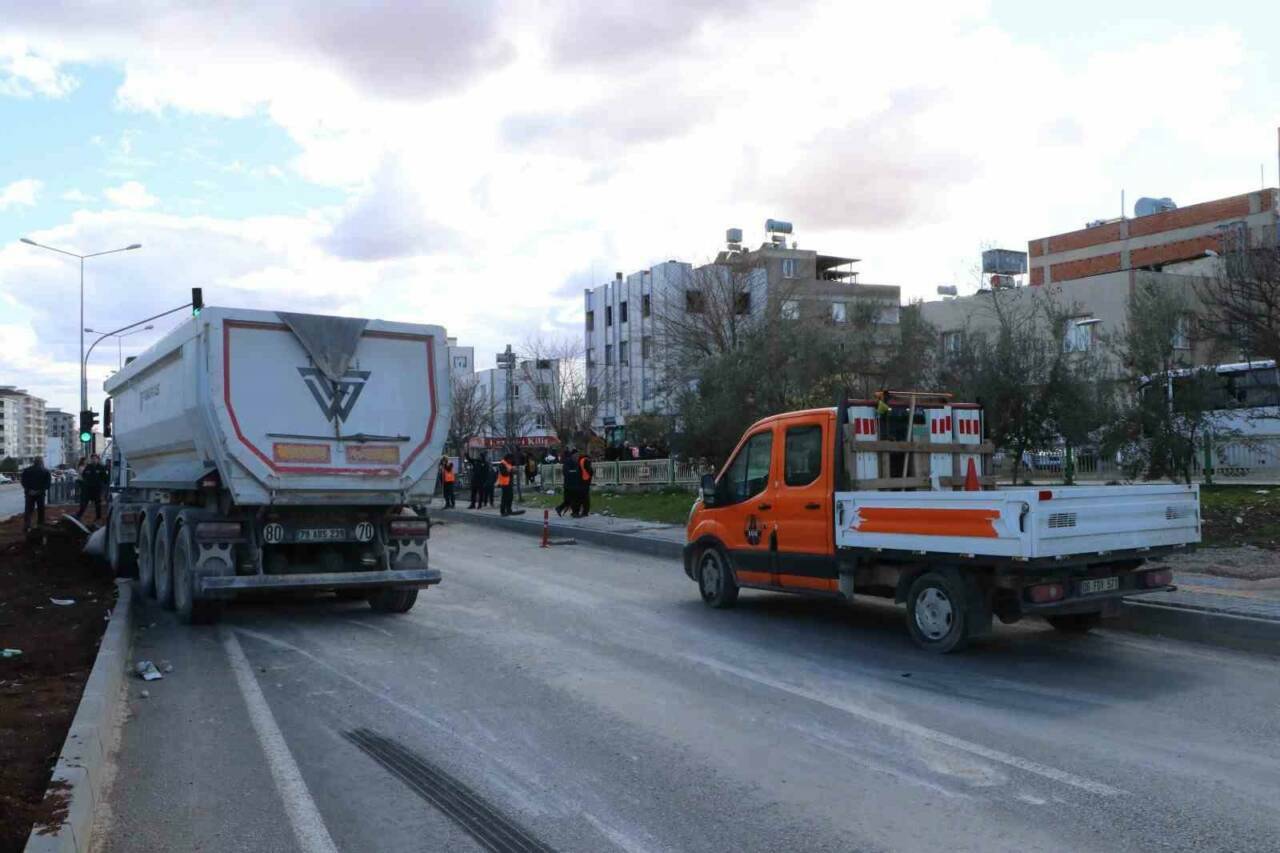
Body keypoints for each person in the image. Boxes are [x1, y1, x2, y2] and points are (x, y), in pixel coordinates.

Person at [21, 457, 52, 532]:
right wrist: (40, 490)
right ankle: (40, 525)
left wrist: (29, 490)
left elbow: (23, 481)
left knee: (28, 510)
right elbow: (47, 484)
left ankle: (27, 525)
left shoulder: (26, 470)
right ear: (41, 462)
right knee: (41, 510)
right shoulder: (46, 471)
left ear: (34, 462)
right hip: (40, 494)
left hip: (29, 493)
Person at [76, 453, 109, 522]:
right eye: (92, 459)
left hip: (97, 489)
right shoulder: (88, 466)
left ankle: (98, 517)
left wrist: (102, 485)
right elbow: (84, 475)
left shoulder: (101, 467)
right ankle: (79, 515)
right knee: (84, 502)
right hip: (88, 488)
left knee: (97, 504)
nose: (93, 460)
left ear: (98, 459)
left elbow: (105, 478)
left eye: (95, 459)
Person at [557, 447, 580, 517]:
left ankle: (560, 508)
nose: (577, 456)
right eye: (576, 455)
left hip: (575, 483)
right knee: (573, 499)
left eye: (578, 455)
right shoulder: (568, 462)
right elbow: (566, 472)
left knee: (571, 499)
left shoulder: (577, 462)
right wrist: (575, 472)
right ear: (572, 455)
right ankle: (575, 513)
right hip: (569, 484)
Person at [577, 451, 595, 517]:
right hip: (586, 479)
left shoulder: (581, 460)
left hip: (582, 480)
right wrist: (590, 476)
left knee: (583, 496)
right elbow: (590, 470)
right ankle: (585, 511)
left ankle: (583, 511)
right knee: (585, 496)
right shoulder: (586, 460)